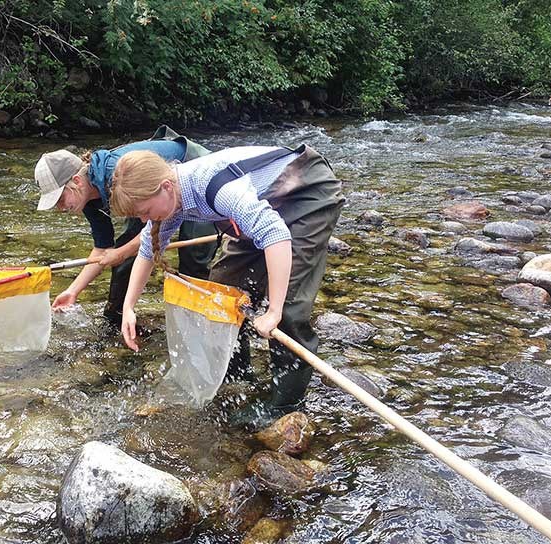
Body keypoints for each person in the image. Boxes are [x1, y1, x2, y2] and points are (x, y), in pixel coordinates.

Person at [110, 144, 345, 425]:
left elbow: (274, 235)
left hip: (307, 192)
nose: (145, 220)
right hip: (263, 203)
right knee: (222, 291)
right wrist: (128, 307)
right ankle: (238, 374)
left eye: (145, 211)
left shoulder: (214, 188)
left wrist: (274, 312)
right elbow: (148, 250)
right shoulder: (170, 200)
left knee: (288, 307)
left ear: (165, 187)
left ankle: (286, 404)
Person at [34, 126, 217, 323]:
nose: (61, 208)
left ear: (76, 181)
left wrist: (120, 253)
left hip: (192, 174)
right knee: (124, 259)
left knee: (194, 253)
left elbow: (153, 229)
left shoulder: (117, 174)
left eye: (60, 199)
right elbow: (102, 250)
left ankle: (198, 320)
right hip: (146, 196)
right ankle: (117, 318)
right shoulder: (86, 197)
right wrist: (73, 291)